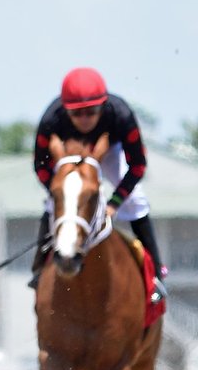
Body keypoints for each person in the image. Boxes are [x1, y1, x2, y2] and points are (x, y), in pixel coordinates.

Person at [29, 67, 167, 302]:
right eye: (76, 114)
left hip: (110, 151)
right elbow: (40, 167)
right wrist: (60, 195)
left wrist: (114, 203)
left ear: (103, 106)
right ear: (65, 111)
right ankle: (40, 268)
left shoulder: (121, 115)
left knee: (136, 202)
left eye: (91, 112)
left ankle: (157, 276)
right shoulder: (51, 119)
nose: (84, 120)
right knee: (54, 205)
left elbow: (138, 166)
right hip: (69, 157)